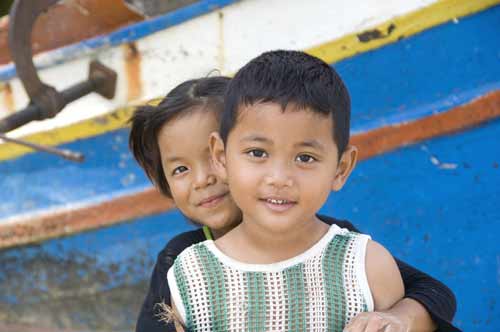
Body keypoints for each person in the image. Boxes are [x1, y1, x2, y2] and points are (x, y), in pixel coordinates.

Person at [129, 75, 459, 331]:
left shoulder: (329, 243)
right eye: (181, 169)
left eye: (214, 158)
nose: (202, 179)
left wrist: (399, 318)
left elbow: (432, 292)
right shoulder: (183, 264)